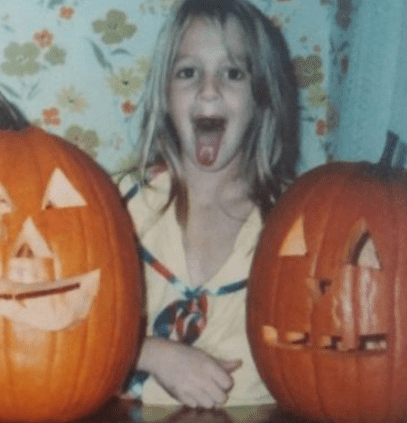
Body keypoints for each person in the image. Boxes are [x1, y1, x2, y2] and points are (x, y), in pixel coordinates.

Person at [118, 0, 299, 409]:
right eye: (188, 73)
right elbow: (68, 330)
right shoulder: (119, 208)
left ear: (262, 97)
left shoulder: (296, 220)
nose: (208, 89)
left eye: (233, 73)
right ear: (164, 95)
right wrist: (150, 353)